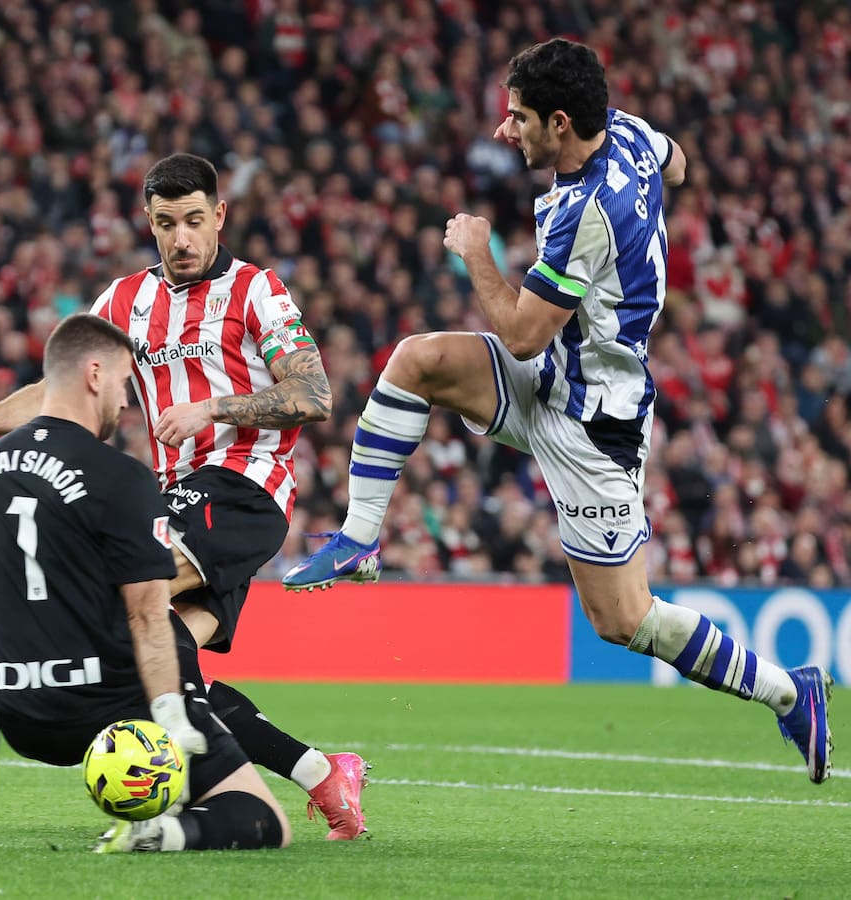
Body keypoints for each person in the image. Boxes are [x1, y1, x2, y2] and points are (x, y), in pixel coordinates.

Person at [283, 39, 834, 784]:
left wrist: (474, 251)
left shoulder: (588, 212)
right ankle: (357, 541)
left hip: (592, 428)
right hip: (554, 376)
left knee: (623, 620)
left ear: (563, 123)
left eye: (519, 119)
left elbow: (517, 329)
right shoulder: (629, 131)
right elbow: (679, 163)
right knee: (418, 361)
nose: (506, 132)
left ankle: (787, 692)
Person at [0, 153, 369, 838]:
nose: (180, 239)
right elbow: (61, 387)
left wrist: (215, 410)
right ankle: (319, 773)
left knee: (111, 610)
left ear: (220, 216)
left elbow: (313, 394)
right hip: (168, 503)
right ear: (148, 223)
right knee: (161, 658)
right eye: (164, 224)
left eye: (192, 221)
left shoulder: (257, 291)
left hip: (240, 493)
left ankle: (197, 789)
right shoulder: (122, 302)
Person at [0, 312, 291, 852]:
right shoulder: (122, 478)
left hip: (24, 719)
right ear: (93, 375)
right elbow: (147, 615)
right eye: (124, 381)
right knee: (263, 822)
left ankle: (299, 770)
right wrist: (172, 718)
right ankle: (160, 833)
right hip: (102, 708)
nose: (126, 401)